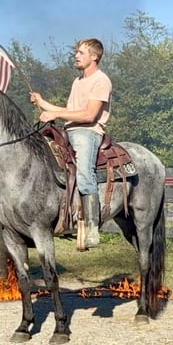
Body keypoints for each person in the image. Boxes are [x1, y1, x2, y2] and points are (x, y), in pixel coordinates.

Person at [30, 38, 111, 249]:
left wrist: (54, 114)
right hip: (69, 130)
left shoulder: (101, 80)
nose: (76, 56)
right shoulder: (78, 81)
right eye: (76, 52)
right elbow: (69, 111)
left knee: (84, 172)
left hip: (88, 132)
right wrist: (42, 102)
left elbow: (89, 115)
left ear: (94, 56)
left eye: (81, 52)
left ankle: (92, 228)